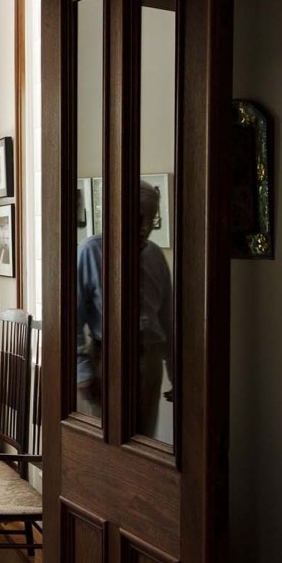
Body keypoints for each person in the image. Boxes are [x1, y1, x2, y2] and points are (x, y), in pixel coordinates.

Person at [76, 179, 172, 437]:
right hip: (108, 360)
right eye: (138, 217)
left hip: (150, 360)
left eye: (150, 219)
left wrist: (176, 374)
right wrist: (83, 372)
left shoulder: (155, 256)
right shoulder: (90, 252)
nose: (144, 227)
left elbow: (168, 319)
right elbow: (70, 321)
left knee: (144, 441)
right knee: (109, 445)